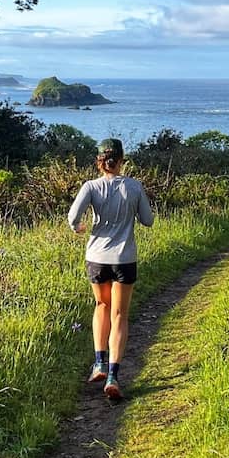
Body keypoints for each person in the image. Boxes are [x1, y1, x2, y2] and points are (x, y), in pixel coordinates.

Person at [68, 137, 154, 401]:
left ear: (99, 162)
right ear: (122, 160)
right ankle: (114, 376)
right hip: (124, 257)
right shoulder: (134, 186)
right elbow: (148, 221)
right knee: (120, 314)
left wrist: (81, 228)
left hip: (96, 256)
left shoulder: (90, 186)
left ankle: (99, 363)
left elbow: (73, 219)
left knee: (101, 307)